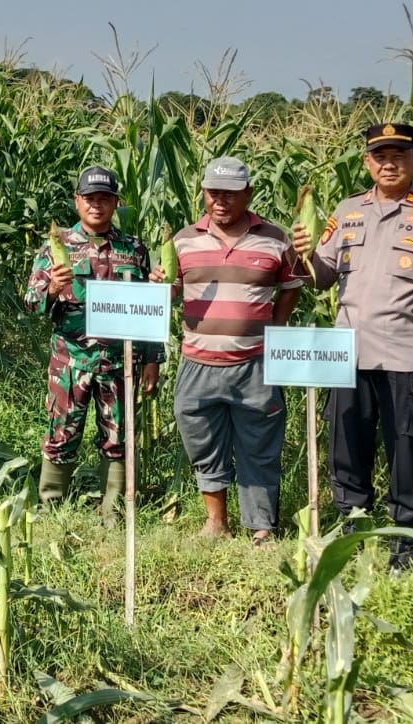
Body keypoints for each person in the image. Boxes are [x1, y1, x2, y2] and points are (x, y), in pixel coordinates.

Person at [294, 122, 413, 572]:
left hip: (407, 354)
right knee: (346, 446)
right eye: (380, 156)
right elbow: (320, 278)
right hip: (348, 352)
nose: (389, 164)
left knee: (407, 450)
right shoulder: (347, 211)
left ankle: (406, 538)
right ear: (367, 162)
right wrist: (301, 253)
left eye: (399, 155)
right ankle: (352, 526)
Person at [164, 157, 301, 545]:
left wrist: (274, 329)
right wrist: (162, 284)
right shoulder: (183, 240)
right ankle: (216, 523)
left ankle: (261, 527)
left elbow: (291, 286)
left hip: (254, 363)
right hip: (198, 362)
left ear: (248, 194)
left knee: (260, 444)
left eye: (230, 193)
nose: (220, 201)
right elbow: (170, 292)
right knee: (203, 442)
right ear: (203, 194)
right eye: (213, 193)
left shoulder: (275, 239)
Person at [23, 166, 163, 512]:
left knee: (118, 437)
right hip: (70, 361)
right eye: (89, 198)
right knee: (61, 434)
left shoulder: (134, 249)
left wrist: (152, 359)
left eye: (104, 198)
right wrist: (52, 288)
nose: (96, 205)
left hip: (119, 362)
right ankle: (52, 505)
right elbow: (31, 302)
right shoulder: (57, 245)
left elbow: (149, 308)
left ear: (116, 203)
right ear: (77, 201)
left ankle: (114, 509)